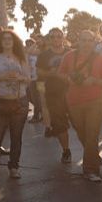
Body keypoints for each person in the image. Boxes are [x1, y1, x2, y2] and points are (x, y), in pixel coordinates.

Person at [58, 30, 102, 182]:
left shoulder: (100, 59)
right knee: (83, 134)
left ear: (94, 42)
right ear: (78, 41)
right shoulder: (69, 56)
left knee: (92, 135)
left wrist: (94, 81)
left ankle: (90, 170)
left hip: (95, 101)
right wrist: (69, 78)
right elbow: (60, 74)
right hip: (74, 101)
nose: (86, 43)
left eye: (90, 40)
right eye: (83, 40)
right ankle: (93, 157)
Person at [0, 30, 30, 179]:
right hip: (0, 102)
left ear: (14, 41)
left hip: (19, 101)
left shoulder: (21, 58)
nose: (7, 41)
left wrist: (20, 78)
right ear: (0, 41)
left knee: (16, 137)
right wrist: (2, 77)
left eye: (10, 39)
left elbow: (28, 78)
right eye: (4, 39)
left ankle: (14, 167)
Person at [37, 28, 71, 164]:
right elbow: (39, 72)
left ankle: (91, 153)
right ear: (49, 39)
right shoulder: (44, 55)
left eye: (58, 36)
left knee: (80, 123)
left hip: (72, 92)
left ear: (63, 37)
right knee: (60, 124)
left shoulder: (71, 52)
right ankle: (66, 151)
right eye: (52, 37)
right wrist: (51, 73)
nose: (56, 39)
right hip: (53, 93)